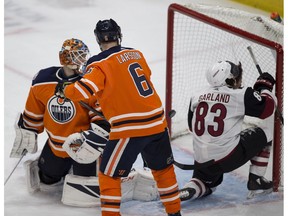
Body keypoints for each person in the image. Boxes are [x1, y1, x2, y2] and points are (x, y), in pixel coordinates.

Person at [10, 38, 158, 207]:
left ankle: (125, 180)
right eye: (78, 56)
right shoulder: (43, 80)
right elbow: (33, 116)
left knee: (84, 190)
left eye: (83, 56)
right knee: (46, 180)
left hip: (82, 147)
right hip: (55, 147)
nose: (82, 60)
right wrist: (27, 131)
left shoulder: (89, 83)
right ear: (65, 57)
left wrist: (94, 137)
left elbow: (100, 119)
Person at [55, 19, 181, 216]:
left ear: (97, 39)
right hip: (157, 122)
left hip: (129, 129)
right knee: (163, 170)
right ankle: (174, 213)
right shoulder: (137, 54)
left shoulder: (98, 63)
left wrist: (66, 90)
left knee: (108, 175)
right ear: (119, 35)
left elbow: (84, 90)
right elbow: (136, 80)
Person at [179, 60, 277, 202]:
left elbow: (191, 126)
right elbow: (267, 108)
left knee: (206, 183)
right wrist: (264, 86)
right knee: (267, 130)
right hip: (228, 158)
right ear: (229, 78)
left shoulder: (197, 95)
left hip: (202, 160)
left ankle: (193, 187)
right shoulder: (240, 94)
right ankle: (257, 180)